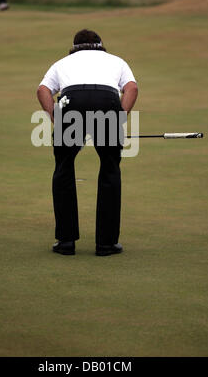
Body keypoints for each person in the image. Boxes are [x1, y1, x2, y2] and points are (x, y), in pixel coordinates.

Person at [37, 29, 138, 256]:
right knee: (110, 168)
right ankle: (106, 244)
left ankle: (65, 242)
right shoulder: (116, 61)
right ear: (101, 45)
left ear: (74, 47)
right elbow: (131, 88)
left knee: (63, 168)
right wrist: (119, 116)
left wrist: (55, 116)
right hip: (107, 100)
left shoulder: (62, 62)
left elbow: (43, 89)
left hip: (71, 101)